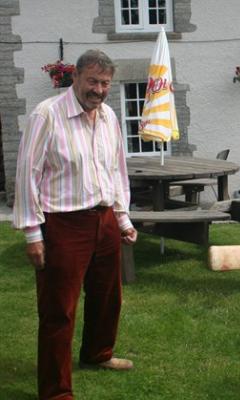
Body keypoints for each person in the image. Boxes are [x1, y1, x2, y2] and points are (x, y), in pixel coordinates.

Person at [13, 49, 138, 400]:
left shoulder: (109, 116)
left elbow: (116, 171)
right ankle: (55, 391)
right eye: (93, 81)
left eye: (105, 83)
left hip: (104, 220)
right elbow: (27, 175)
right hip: (63, 225)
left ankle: (98, 354)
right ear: (76, 78)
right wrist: (32, 233)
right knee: (59, 310)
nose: (98, 90)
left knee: (107, 297)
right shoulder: (46, 115)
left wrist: (122, 217)